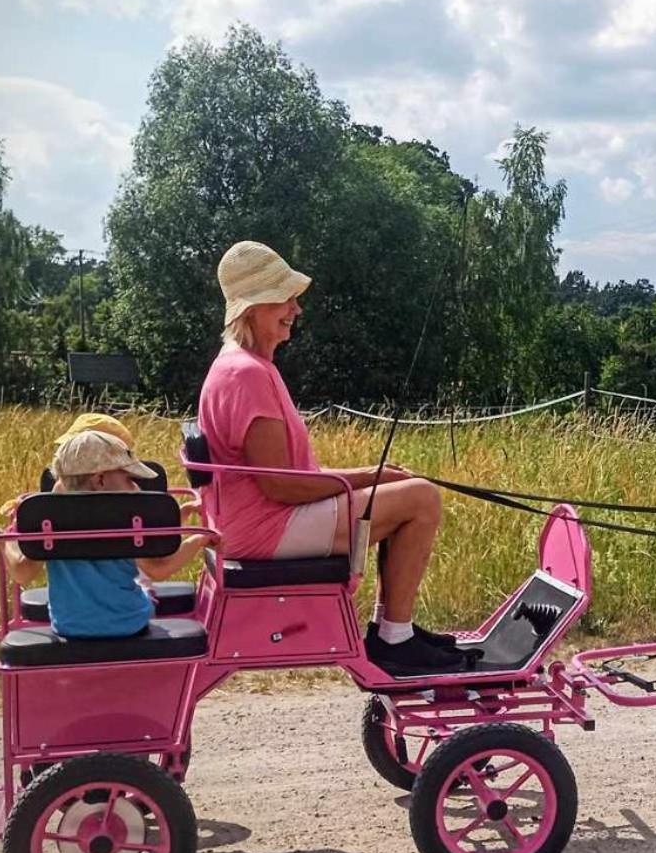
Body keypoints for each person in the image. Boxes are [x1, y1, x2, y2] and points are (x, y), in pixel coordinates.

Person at [197, 240, 461, 676]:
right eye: (286, 299)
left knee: (405, 492)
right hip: (265, 528)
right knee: (422, 499)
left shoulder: (244, 366)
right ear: (254, 308)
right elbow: (281, 486)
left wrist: (375, 478)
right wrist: (368, 477)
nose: (296, 309)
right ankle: (395, 637)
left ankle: (396, 630)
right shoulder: (245, 373)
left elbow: (290, 478)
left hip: (251, 521)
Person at [0, 431, 206, 638]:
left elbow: (23, 573)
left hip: (69, 626)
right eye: (129, 478)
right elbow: (159, 569)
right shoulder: (126, 517)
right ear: (100, 479)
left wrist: (5, 542)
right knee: (144, 588)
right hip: (129, 622)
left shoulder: (49, 518)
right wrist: (200, 539)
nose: (135, 486)